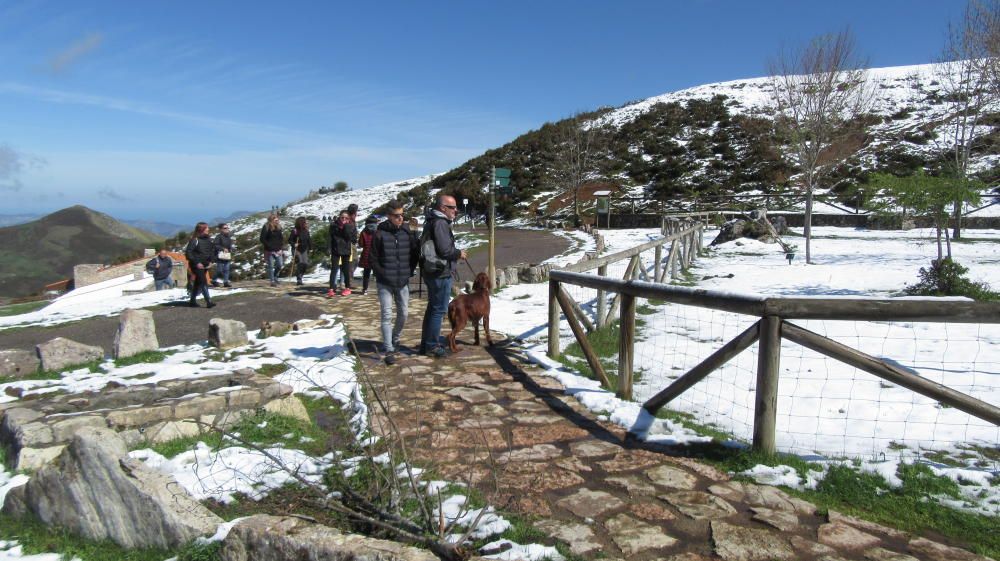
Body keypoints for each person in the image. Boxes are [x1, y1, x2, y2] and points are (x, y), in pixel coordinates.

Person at [370, 201, 419, 365]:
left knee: (404, 313)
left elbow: (414, 253)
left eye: (402, 215)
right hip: (385, 282)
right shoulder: (379, 233)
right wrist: (381, 274)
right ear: (389, 216)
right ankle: (389, 348)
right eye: (397, 216)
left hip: (402, 280)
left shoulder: (407, 231)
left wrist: (409, 271)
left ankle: (395, 337)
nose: (400, 218)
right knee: (386, 315)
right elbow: (373, 258)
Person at [419, 194, 467, 358]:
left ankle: (425, 344)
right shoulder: (440, 223)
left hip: (433, 271)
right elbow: (445, 250)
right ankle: (432, 346)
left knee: (433, 309)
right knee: (438, 310)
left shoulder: (432, 220)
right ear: (442, 208)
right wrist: (459, 253)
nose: (456, 210)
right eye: (452, 207)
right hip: (440, 272)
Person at [185, 222, 216, 308]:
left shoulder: (208, 240)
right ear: (201, 229)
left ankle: (192, 301)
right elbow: (188, 253)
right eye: (206, 228)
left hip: (205, 265)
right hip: (197, 266)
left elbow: (211, 251)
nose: (208, 229)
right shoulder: (195, 240)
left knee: (198, 283)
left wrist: (211, 261)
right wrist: (196, 263)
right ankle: (208, 301)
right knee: (203, 281)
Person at [329, 210, 357, 295]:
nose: (343, 219)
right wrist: (329, 248)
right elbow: (330, 238)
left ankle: (347, 288)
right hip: (335, 249)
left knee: (345, 269)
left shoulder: (351, 226)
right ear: (339, 217)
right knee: (334, 269)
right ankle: (331, 289)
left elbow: (353, 240)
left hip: (346, 250)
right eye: (342, 217)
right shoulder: (333, 226)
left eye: (346, 218)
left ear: (348, 219)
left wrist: (346, 227)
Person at [260, 214, 284, 287]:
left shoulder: (279, 227)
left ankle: (275, 276)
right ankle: (272, 281)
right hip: (269, 250)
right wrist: (269, 246)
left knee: (280, 264)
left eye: (278, 220)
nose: (277, 221)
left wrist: (280, 247)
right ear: (271, 220)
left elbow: (281, 238)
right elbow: (262, 239)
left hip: (278, 250)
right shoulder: (266, 227)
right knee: (271, 266)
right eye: (276, 220)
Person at [288, 216, 312, 286]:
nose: (306, 223)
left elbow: (309, 240)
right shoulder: (295, 231)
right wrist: (294, 244)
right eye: (305, 222)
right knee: (300, 263)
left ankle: (300, 276)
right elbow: (290, 240)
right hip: (296, 249)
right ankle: (299, 279)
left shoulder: (306, 231)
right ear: (301, 223)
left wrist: (311, 248)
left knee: (305, 264)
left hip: (304, 249)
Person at [357, 216, 378, 295]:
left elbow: (361, 244)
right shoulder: (378, 231)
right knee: (378, 273)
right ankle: (380, 289)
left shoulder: (364, 232)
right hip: (376, 254)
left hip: (366, 254)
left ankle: (365, 289)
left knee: (366, 273)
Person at [213, 223, 234, 288]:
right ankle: (214, 280)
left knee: (227, 269)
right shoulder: (218, 237)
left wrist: (230, 250)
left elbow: (229, 245)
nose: (227, 229)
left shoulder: (228, 236)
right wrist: (223, 249)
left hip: (227, 255)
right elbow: (215, 245)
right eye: (225, 228)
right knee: (220, 270)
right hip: (220, 256)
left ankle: (226, 282)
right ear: (221, 229)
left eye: (227, 228)